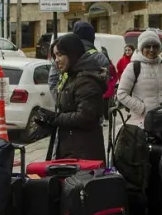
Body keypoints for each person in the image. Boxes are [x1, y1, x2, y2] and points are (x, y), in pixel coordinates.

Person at [33, 33, 107, 161]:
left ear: (73, 54)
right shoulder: (72, 76)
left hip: (83, 154)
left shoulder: (86, 81)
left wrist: (55, 118)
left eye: (60, 55)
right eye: (55, 55)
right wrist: (48, 122)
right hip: (72, 150)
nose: (56, 60)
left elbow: (85, 117)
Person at [117, 29, 162, 127]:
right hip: (141, 122)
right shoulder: (133, 67)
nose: (151, 49)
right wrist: (141, 108)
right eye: (147, 46)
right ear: (141, 48)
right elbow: (121, 93)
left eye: (155, 46)